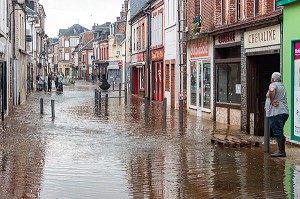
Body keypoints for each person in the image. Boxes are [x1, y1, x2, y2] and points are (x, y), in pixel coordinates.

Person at [265, 72, 289, 157]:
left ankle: (281, 151)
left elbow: (272, 90)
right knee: (279, 130)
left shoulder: (273, 84)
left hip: (276, 113)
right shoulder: (282, 85)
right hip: (284, 112)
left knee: (278, 131)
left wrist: (271, 101)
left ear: (272, 79)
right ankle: (281, 149)